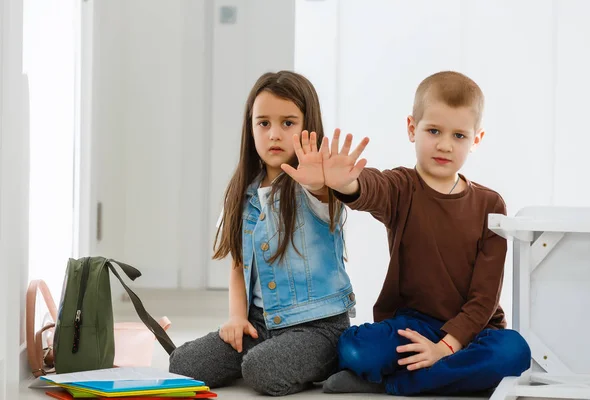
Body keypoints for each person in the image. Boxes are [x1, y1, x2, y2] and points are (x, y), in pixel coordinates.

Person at [318, 71, 531, 396]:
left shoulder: (490, 203)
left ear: (476, 139)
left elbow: (484, 298)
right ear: (411, 128)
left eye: (459, 135)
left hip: (471, 331)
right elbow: (372, 187)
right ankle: (447, 376)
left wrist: (446, 346)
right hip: (413, 325)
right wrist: (345, 183)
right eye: (434, 131)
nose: (444, 144)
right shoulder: (402, 187)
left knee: (515, 352)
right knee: (354, 348)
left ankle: (399, 382)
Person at [169, 70, 356, 396]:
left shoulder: (316, 187)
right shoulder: (243, 194)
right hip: (260, 323)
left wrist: (320, 182)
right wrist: (237, 318)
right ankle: (271, 356)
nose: (274, 134)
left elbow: (328, 198)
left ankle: (329, 359)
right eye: (263, 123)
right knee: (183, 364)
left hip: (317, 327)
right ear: (250, 127)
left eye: (288, 123)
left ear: (307, 125)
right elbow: (237, 266)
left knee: (260, 370)